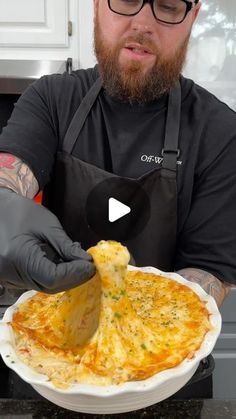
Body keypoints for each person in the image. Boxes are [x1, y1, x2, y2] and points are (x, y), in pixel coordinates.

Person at [0, 0, 236, 398]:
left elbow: (211, 270)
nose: (143, 22)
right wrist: (4, 208)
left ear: (192, 17)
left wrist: (137, 343)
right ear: (95, 7)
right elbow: (10, 170)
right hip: (51, 359)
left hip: (167, 378)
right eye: (126, 0)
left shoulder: (222, 132)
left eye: (168, 5)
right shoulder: (51, 99)